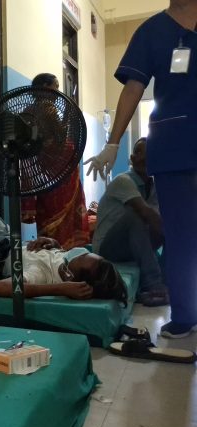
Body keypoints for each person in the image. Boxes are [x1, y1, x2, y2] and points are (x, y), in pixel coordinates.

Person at [84, 0, 196, 338]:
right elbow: (133, 87)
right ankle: (185, 314)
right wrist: (113, 143)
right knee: (180, 237)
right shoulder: (152, 32)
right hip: (174, 149)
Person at [0, 198, 127, 304]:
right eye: (82, 252)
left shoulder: (42, 275)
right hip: (8, 242)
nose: (76, 252)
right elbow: (64, 253)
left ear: (70, 277)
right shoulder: (70, 261)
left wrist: (61, 289)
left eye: (79, 257)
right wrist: (53, 243)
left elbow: (1, 287)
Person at [93, 138, 168, 307]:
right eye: (138, 152)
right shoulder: (123, 180)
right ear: (132, 159)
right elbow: (145, 213)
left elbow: (160, 219)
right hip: (108, 248)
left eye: (148, 153)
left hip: (131, 245)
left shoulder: (155, 186)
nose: (143, 157)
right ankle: (153, 284)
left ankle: (169, 280)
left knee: (172, 224)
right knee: (137, 215)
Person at [20, 73, 90, 249]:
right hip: (59, 167)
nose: (58, 91)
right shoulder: (48, 108)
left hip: (41, 169)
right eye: (55, 86)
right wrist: (67, 115)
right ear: (45, 87)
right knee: (62, 208)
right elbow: (60, 137)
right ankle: (66, 248)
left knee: (46, 205)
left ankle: (47, 246)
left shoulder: (26, 111)